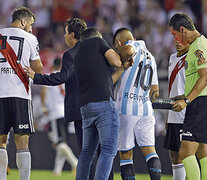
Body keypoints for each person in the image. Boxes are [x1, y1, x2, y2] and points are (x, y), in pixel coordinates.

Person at [25, 18, 87, 154]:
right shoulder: (94, 52)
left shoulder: (71, 55)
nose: (64, 36)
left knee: (83, 149)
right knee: (101, 149)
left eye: (66, 33)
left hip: (75, 108)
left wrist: (37, 77)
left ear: (72, 35)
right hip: (99, 105)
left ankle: (81, 171)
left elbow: (61, 77)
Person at [0, 6, 43, 180]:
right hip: (20, 94)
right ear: (23, 22)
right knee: (22, 143)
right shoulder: (31, 38)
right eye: (30, 24)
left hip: (0, 94)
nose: (31, 28)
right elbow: (38, 67)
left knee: (1, 142)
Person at [113, 27, 161, 180]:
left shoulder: (131, 46)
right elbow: (155, 93)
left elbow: (127, 49)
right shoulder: (151, 57)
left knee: (126, 153)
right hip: (146, 110)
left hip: (126, 108)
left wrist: (120, 61)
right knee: (150, 151)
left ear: (119, 42)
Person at [74, 28, 122, 180]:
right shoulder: (97, 41)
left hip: (86, 108)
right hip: (103, 104)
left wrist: (122, 68)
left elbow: (108, 80)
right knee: (108, 149)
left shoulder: (77, 53)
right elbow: (116, 61)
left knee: (86, 152)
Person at [170, 12, 207, 180]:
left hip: (199, 104)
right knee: (202, 151)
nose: (175, 39)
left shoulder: (199, 46)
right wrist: (182, 95)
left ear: (183, 29)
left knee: (185, 151)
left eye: (174, 34)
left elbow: (205, 76)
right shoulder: (198, 44)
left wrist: (186, 100)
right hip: (200, 102)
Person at [40, 57, 78, 176]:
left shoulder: (50, 75)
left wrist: (44, 106)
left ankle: (76, 163)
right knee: (62, 142)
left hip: (55, 113)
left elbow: (44, 90)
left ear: (52, 65)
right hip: (65, 112)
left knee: (59, 143)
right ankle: (57, 170)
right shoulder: (64, 76)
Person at [163, 39, 189, 180]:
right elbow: (173, 87)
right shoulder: (172, 58)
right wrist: (168, 115)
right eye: (176, 40)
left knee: (187, 154)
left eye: (182, 40)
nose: (179, 43)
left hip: (187, 111)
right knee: (174, 154)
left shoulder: (193, 57)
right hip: (173, 111)